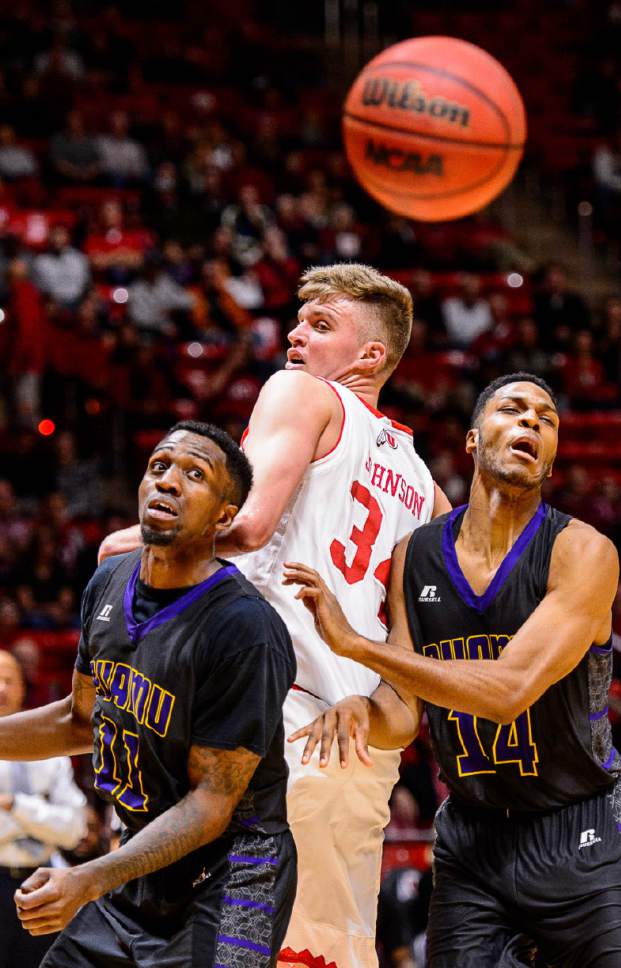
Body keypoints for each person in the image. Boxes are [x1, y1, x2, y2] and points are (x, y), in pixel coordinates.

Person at [100, 262, 450, 968]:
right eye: (298, 321)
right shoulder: (423, 482)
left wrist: (125, 544)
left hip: (264, 722)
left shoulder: (301, 394)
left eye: (321, 325)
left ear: (370, 356)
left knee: (191, 946)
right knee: (328, 954)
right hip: (357, 744)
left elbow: (249, 524)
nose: (295, 337)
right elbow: (449, 621)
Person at [285, 372, 621, 967]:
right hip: (474, 838)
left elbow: (508, 691)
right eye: (513, 409)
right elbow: (403, 714)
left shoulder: (582, 552)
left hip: (583, 824)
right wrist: (360, 710)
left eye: (546, 418)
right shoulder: (417, 554)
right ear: (474, 441)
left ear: (551, 462)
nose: (531, 421)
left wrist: (355, 647)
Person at [0, 421, 297, 967]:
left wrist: (87, 877)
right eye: (159, 466)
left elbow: (212, 803)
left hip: (242, 872)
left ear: (224, 517)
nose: (168, 481)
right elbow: (78, 720)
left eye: (194, 475)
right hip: (142, 862)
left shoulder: (244, 627)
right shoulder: (108, 582)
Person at [0, 649, 86, 968]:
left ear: (24, 687)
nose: (1, 689)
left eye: (9, 680)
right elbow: (57, 825)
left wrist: (13, 805)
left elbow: (74, 828)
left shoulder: (50, 750)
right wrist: (40, 817)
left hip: (39, 885)